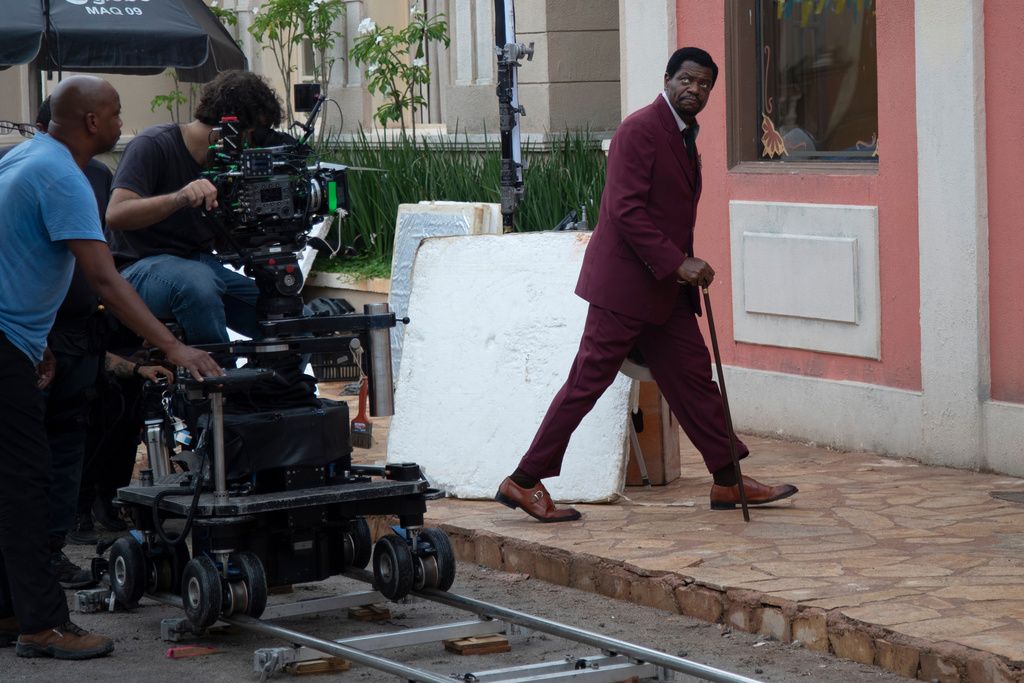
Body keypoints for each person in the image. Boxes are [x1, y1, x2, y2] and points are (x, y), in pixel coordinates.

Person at [494, 47, 798, 522]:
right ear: (667, 79)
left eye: (704, 84)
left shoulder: (683, 134)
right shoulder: (640, 129)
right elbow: (625, 210)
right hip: (624, 288)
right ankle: (524, 480)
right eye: (687, 80)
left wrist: (676, 269)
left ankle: (728, 480)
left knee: (695, 379)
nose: (695, 90)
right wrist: (679, 263)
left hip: (663, 290)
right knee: (586, 384)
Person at [0, 75, 223, 660]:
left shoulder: (25, 156)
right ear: (93, 122)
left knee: (11, 481)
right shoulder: (66, 177)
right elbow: (104, 278)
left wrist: (35, 336)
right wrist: (174, 347)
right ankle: (43, 625)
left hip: (14, 340)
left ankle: (9, 609)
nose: (125, 124)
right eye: (118, 113)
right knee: (26, 485)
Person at [105, 70, 286, 345]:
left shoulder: (228, 166)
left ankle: (270, 374)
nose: (257, 145)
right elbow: (116, 215)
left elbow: (224, 241)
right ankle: (218, 369)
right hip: (135, 270)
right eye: (257, 134)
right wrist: (179, 197)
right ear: (234, 127)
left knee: (291, 319)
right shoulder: (154, 144)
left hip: (199, 266)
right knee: (198, 282)